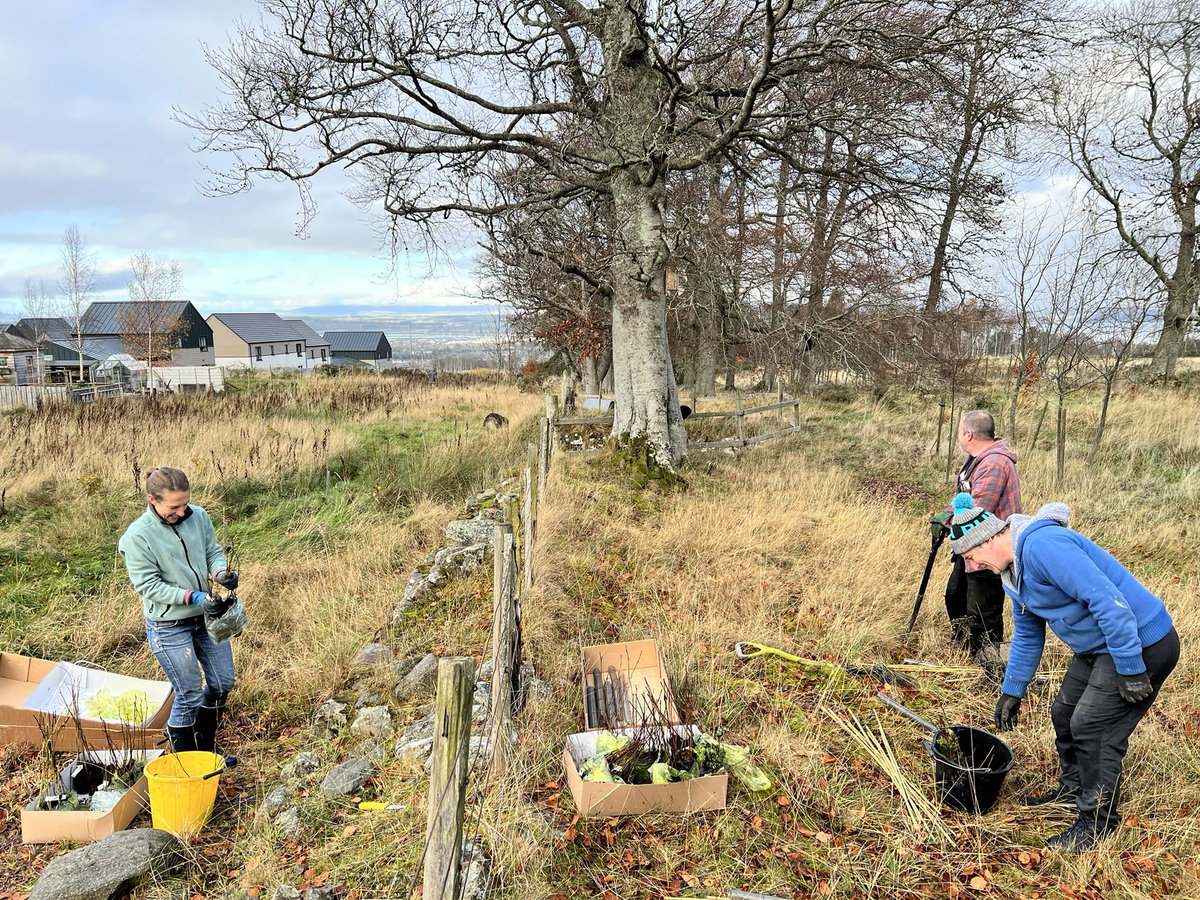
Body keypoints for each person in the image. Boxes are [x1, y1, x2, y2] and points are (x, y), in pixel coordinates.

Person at [948, 492, 1179, 852]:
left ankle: (1096, 823)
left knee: (1093, 726)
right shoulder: (1013, 572)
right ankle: (1074, 789)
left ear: (989, 538)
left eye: (971, 555)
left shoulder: (1042, 547)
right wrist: (1013, 689)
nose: (972, 565)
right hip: (1099, 649)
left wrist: (1132, 668)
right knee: (1065, 713)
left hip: (1141, 643)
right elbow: (1027, 633)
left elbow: (1107, 600)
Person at [118, 467, 238, 753]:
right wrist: (192, 596)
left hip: (206, 617)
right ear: (152, 500)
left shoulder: (198, 516)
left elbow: (212, 551)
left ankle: (206, 747)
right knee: (189, 693)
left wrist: (220, 573)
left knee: (222, 683)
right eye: (174, 507)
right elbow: (149, 586)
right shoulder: (137, 537)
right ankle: (185, 759)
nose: (182, 512)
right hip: (169, 625)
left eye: (185, 503)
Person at [931, 410, 1021, 658]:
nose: (958, 435)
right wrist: (946, 514)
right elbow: (964, 500)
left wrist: (947, 520)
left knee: (983, 610)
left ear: (968, 434)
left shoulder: (994, 463)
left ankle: (989, 662)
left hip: (991, 550)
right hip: (971, 545)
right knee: (955, 597)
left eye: (960, 431)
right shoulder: (977, 458)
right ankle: (963, 650)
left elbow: (979, 506)